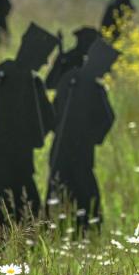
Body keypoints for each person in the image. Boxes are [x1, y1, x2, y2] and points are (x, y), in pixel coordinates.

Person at [0, 23, 57, 241]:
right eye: (43, 57)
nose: (44, 63)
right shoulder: (31, 81)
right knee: (28, 217)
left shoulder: (4, 70)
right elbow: (44, 126)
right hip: (16, 161)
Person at [46, 39, 118, 236]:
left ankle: (61, 234)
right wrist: (92, 137)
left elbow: (53, 113)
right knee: (85, 196)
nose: (106, 71)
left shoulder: (69, 79)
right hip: (79, 153)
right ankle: (83, 234)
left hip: (63, 150)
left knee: (60, 194)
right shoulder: (92, 88)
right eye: (106, 67)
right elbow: (108, 118)